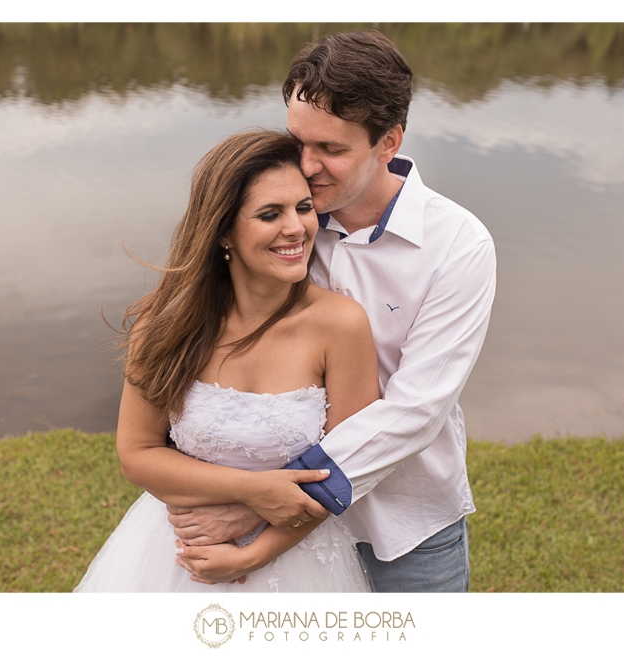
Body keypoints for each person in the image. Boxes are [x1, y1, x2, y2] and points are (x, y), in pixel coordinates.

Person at [167, 30, 496, 592]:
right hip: (270, 524)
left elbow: (415, 410)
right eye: (299, 141)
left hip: (403, 531)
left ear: (388, 142)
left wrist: (266, 505)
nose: (307, 166)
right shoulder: (282, 224)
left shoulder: (459, 245)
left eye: (333, 150)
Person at [74, 130, 380, 592]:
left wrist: (256, 552)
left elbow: (349, 465)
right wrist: (254, 491)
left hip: (300, 561)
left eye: (302, 207)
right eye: (269, 214)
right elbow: (137, 454)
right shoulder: (164, 323)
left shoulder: (341, 325)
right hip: (179, 552)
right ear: (222, 232)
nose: (296, 228)